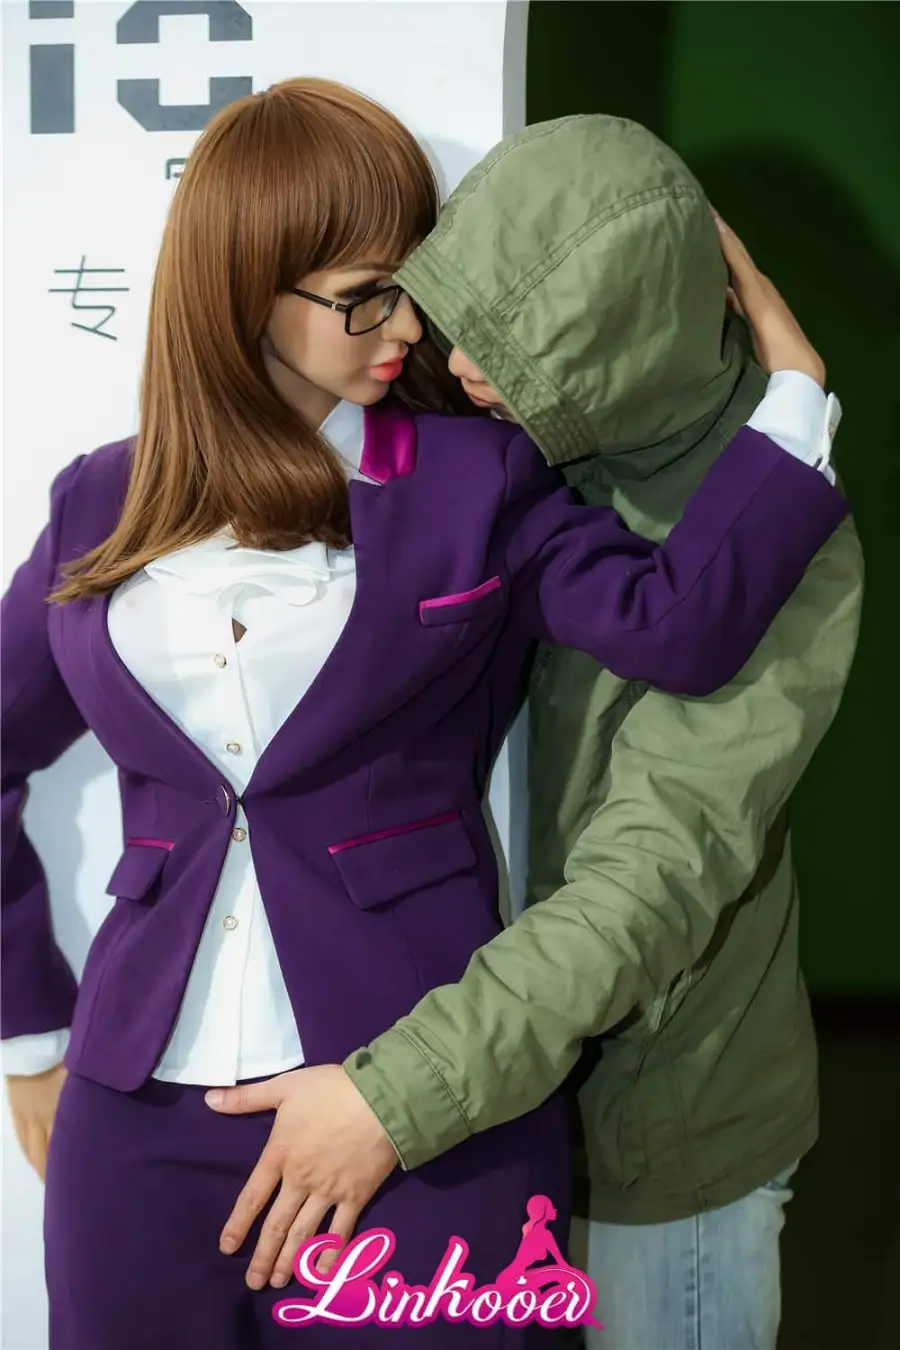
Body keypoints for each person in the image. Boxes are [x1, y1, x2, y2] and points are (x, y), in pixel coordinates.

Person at [1, 81, 847, 1350]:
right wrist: (31, 1033)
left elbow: (677, 622)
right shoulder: (97, 504)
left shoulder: (476, 479)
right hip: (137, 1121)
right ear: (247, 289)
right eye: (365, 296)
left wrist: (793, 396)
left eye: (412, 286)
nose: (404, 329)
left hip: (414, 1111)